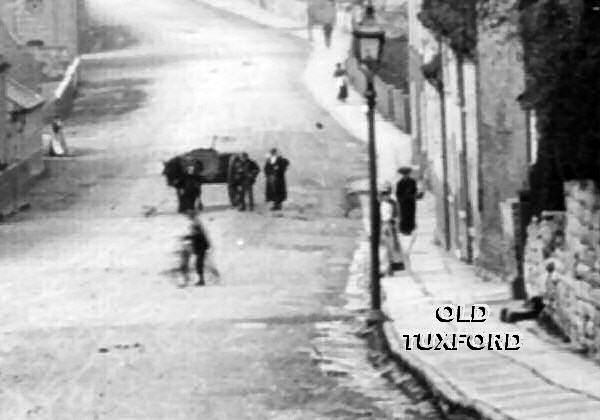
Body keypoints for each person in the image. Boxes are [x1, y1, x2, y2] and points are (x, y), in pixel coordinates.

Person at [184, 212, 220, 286]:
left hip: (200, 248)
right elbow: (199, 235)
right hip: (200, 247)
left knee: (199, 264)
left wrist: (190, 237)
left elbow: (198, 235)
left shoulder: (196, 224)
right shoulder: (196, 223)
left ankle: (203, 280)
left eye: (189, 216)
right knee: (201, 264)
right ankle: (208, 277)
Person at [380, 183, 405, 274]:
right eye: (383, 194)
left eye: (387, 194)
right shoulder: (379, 203)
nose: (385, 196)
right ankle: (388, 265)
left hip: (390, 226)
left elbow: (396, 215)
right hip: (383, 226)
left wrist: (395, 223)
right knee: (384, 247)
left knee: (392, 246)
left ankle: (393, 265)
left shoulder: (393, 203)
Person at [395, 166, 418, 236]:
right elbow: (398, 193)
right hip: (403, 203)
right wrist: (402, 198)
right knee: (404, 215)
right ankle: (404, 229)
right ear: (402, 175)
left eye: (407, 174)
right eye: (404, 174)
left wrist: (412, 195)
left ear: (409, 174)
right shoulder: (399, 183)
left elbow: (415, 191)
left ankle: (410, 229)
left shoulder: (412, 181)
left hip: (411, 202)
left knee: (411, 215)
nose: (406, 175)